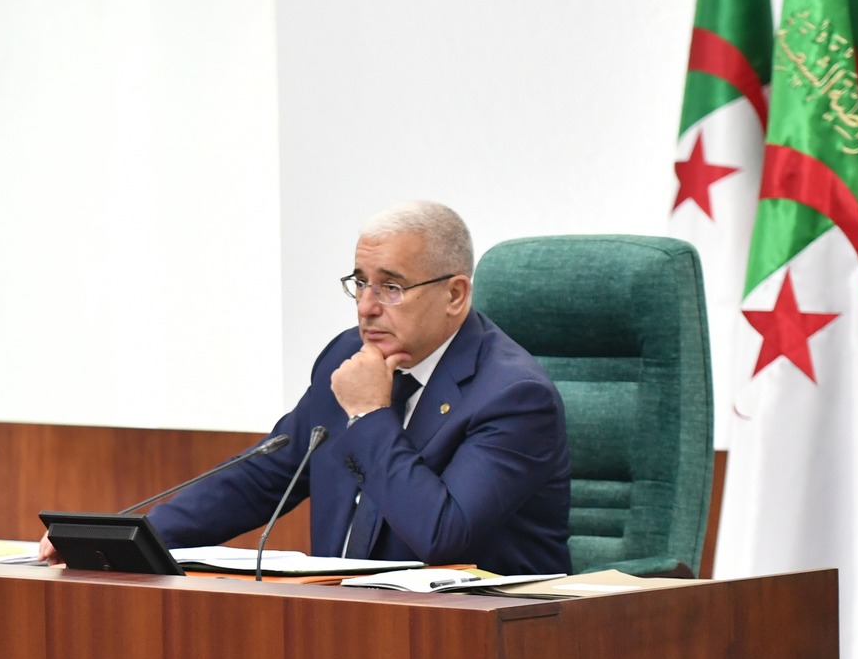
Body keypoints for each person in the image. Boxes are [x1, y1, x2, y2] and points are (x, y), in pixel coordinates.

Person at [44, 202, 571, 575]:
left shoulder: (514, 398)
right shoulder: (348, 357)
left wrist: (368, 416)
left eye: (391, 286)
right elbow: (266, 476)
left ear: (455, 295)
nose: (366, 306)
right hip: (346, 625)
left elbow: (441, 533)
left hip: (475, 642)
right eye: (360, 282)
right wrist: (126, 541)